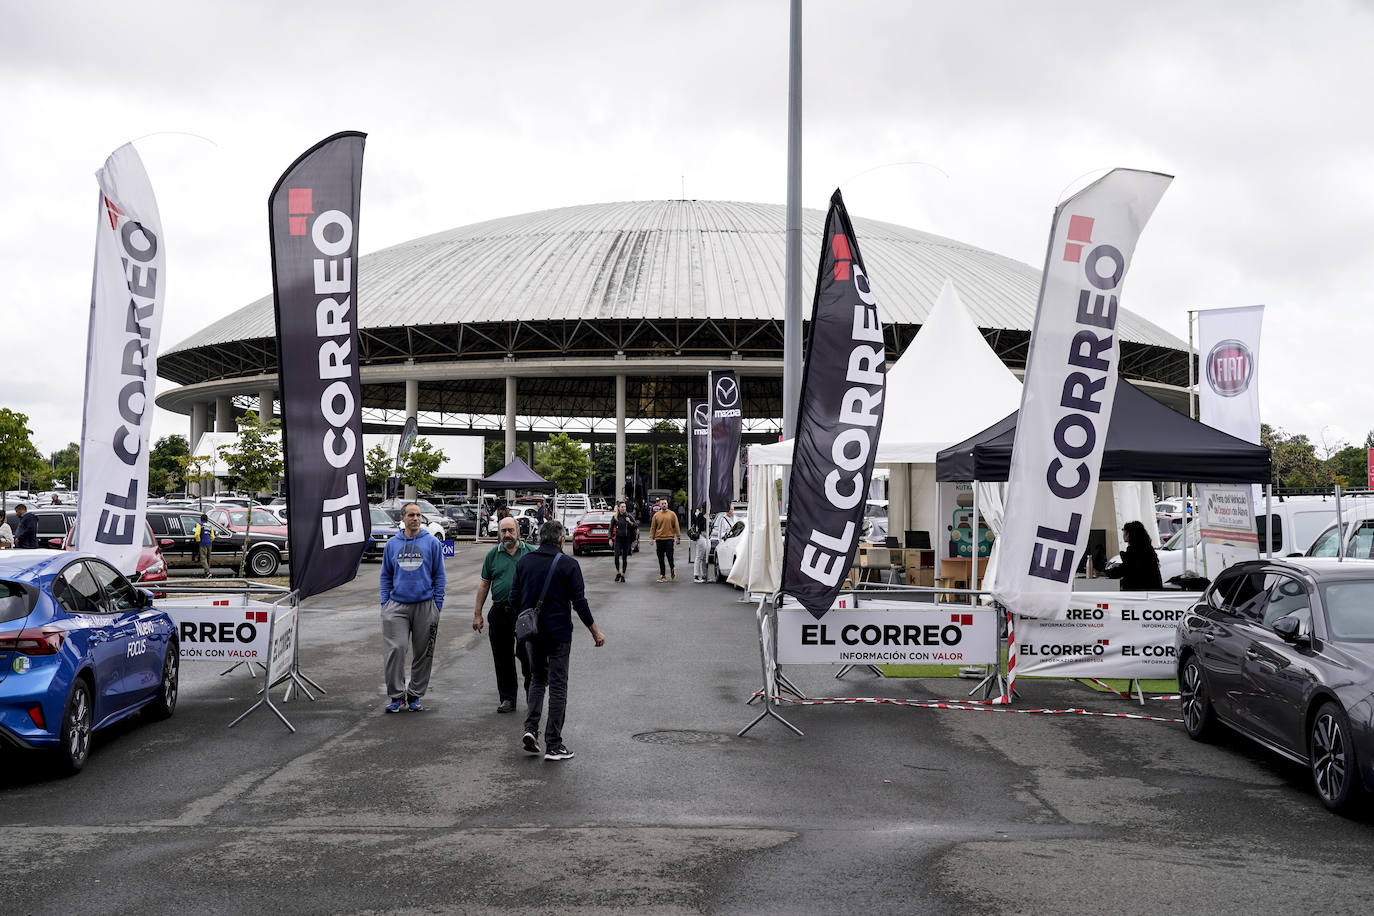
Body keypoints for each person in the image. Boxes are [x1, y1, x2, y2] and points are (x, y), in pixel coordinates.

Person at [510, 520, 605, 761]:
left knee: (537, 679)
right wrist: (595, 631)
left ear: (540, 538)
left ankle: (531, 729)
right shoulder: (569, 564)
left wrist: (527, 616)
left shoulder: (524, 562)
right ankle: (554, 744)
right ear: (562, 540)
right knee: (558, 684)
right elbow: (580, 603)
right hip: (559, 633)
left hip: (532, 633)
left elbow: (513, 598)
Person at [379, 501, 447, 713]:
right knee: (396, 648)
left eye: (418, 515)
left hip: (425, 606)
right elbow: (385, 576)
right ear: (402, 518)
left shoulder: (431, 543)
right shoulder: (393, 544)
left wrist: (437, 605)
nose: (415, 518)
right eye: (411, 515)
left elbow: (439, 576)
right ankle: (397, 696)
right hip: (397, 606)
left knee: (423, 653)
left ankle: (415, 695)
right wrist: (385, 603)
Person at [473, 516, 536, 713]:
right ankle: (508, 698)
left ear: (518, 531)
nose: (507, 534)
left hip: (525, 613)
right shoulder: (493, 554)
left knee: (528, 657)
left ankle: (532, 697)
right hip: (500, 612)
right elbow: (484, 584)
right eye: (503, 531)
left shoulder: (531, 553)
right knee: (502, 658)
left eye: (510, 530)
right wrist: (478, 614)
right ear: (499, 533)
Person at [1114, 520, 1163, 591]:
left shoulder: (1135, 550)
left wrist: (1105, 573)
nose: (1123, 534)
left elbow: (1125, 569)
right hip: (1150, 588)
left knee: (1098, 586)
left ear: (1129, 534)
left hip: (1141, 590)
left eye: (1124, 531)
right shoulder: (1146, 548)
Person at [649, 499, 680, 582]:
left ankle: (672, 568)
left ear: (667, 504)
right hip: (659, 539)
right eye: (662, 503)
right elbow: (653, 528)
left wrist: (678, 537)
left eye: (665, 503)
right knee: (660, 558)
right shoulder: (656, 515)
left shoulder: (672, 514)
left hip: (669, 539)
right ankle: (662, 575)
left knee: (670, 556)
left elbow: (676, 526)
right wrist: (651, 538)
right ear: (660, 505)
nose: (664, 505)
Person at [610, 501, 637, 582]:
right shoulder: (615, 517)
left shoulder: (629, 516)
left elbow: (636, 525)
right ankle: (618, 573)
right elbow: (610, 528)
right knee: (616, 556)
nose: (623, 508)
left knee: (624, 558)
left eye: (624, 507)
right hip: (618, 539)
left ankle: (623, 575)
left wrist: (629, 522)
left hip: (626, 539)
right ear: (618, 508)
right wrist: (610, 539)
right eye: (622, 507)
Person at [691, 502, 710, 582]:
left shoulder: (709, 515)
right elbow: (699, 525)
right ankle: (696, 575)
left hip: (707, 536)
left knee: (705, 557)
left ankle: (704, 575)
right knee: (699, 556)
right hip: (702, 536)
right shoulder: (700, 515)